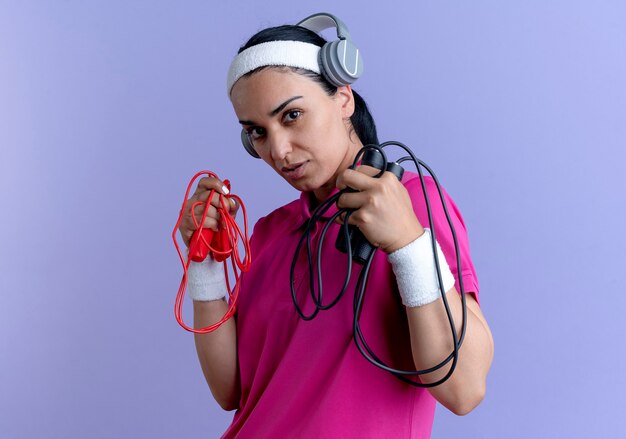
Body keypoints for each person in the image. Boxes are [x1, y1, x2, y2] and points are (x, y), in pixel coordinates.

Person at [178, 13, 494, 438]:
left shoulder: (413, 203)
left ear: (343, 97)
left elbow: (465, 388)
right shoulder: (271, 233)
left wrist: (407, 243)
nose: (278, 150)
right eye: (256, 131)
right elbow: (230, 390)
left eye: (291, 115)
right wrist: (206, 265)